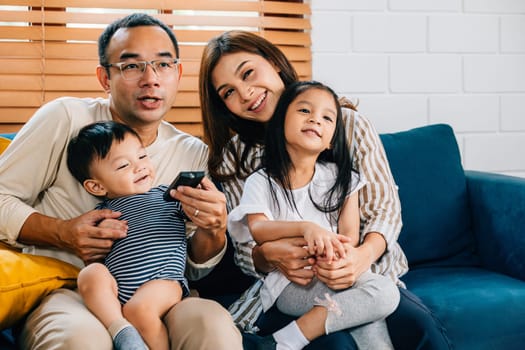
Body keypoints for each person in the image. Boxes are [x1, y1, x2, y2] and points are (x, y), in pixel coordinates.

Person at [0, 13, 241, 349]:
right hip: (71, 288)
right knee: (79, 340)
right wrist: (63, 232)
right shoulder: (65, 117)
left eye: (163, 65)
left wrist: (213, 230)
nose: (150, 79)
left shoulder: (192, 153)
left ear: (178, 73)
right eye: (131, 66)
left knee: (213, 325)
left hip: (159, 292)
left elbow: (194, 265)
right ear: (104, 77)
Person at [199, 30, 451, 349]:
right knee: (339, 344)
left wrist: (359, 257)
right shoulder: (238, 159)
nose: (246, 93)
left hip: (366, 273)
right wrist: (270, 255)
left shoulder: (345, 124)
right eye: (228, 92)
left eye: (248, 73)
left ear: (275, 63)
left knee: (418, 327)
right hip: (296, 283)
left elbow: (384, 211)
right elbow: (246, 246)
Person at [228, 81, 400, 350]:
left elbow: (350, 236)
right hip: (293, 283)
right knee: (376, 297)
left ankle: (281, 342)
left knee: (377, 302)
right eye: (304, 110)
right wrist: (306, 228)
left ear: (331, 140)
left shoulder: (343, 179)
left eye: (326, 117)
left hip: (335, 271)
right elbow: (259, 229)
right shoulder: (261, 181)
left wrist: (336, 260)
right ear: (280, 122)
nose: (315, 120)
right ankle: (289, 339)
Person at [67, 121, 195, 350]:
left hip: (163, 281)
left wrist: (197, 200)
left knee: (139, 310)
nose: (140, 167)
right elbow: (94, 258)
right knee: (89, 274)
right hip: (118, 293)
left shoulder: (168, 197)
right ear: (96, 187)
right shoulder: (100, 216)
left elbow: (200, 217)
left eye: (143, 157)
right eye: (124, 165)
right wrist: (97, 246)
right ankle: (121, 330)